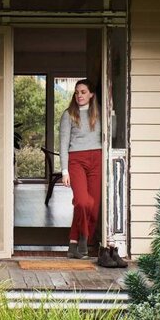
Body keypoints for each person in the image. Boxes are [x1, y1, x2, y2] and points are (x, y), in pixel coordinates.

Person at [59, 79, 101, 259]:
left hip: (97, 159)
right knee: (83, 201)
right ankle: (84, 237)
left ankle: (73, 243)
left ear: (91, 94)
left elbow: (114, 132)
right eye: (77, 92)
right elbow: (62, 144)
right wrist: (64, 171)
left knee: (94, 206)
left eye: (83, 92)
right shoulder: (68, 115)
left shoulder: (100, 114)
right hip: (76, 160)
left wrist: (112, 112)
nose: (79, 96)